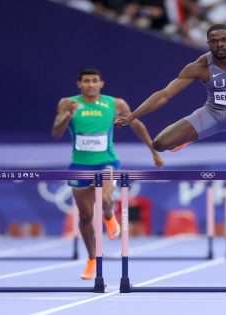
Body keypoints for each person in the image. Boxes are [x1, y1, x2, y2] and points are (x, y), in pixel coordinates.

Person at [114, 23, 226, 184]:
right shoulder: (200, 66)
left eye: (224, 40)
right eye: (214, 41)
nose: (219, 44)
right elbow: (164, 95)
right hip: (213, 112)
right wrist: (132, 117)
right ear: (208, 44)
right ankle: (187, 137)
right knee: (159, 144)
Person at [52, 68, 163, 279]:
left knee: (104, 199)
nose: (90, 85)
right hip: (79, 165)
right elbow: (56, 132)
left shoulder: (115, 104)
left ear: (101, 83)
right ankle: (92, 260)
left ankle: (109, 215)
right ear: (79, 84)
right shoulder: (68, 103)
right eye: (86, 81)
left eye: (94, 81)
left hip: (107, 162)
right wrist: (67, 115)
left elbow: (136, 124)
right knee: (85, 217)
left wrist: (154, 151)